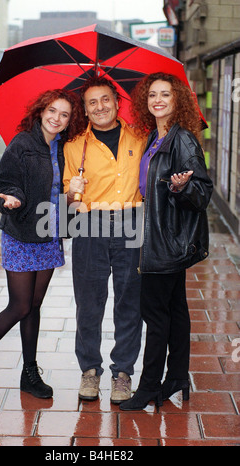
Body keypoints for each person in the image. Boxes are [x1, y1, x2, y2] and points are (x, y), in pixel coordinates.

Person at [0, 89, 86, 399]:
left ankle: (29, 373)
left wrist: (71, 195)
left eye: (64, 114)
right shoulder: (23, 144)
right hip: (21, 232)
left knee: (34, 306)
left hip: (48, 232)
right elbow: (5, 182)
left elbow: (56, 194)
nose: (57, 118)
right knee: (20, 305)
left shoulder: (61, 148)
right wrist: (11, 198)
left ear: (70, 120)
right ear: (41, 111)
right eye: (52, 111)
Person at [119, 72, 213, 411]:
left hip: (165, 241)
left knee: (154, 315)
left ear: (177, 101)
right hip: (159, 235)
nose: (158, 100)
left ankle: (148, 389)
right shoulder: (156, 137)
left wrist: (179, 187)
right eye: (152, 95)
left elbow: (202, 193)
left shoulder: (182, 140)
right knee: (175, 311)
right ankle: (176, 378)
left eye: (166, 95)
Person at [63, 77, 145, 404]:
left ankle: (123, 373)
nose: (100, 107)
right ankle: (89, 371)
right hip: (89, 226)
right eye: (92, 102)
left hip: (131, 223)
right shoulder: (73, 146)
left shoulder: (139, 137)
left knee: (129, 303)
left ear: (116, 102)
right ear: (84, 109)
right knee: (89, 303)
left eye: (105, 100)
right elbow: (69, 199)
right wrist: (72, 190)